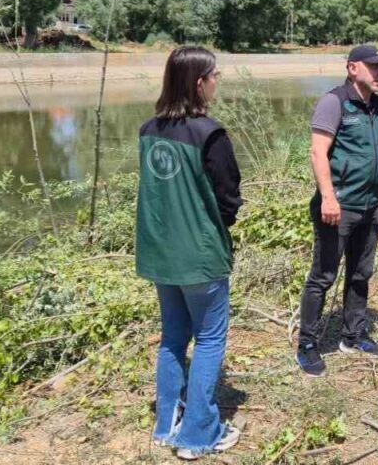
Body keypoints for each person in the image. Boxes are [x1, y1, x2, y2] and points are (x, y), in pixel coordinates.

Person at [136, 46, 244, 458]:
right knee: (210, 338)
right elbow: (228, 197)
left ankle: (166, 425)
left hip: (161, 254)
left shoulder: (148, 130)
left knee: (173, 338)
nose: (218, 81)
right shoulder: (209, 133)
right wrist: (216, 227)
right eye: (215, 75)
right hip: (198, 255)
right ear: (199, 83)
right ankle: (199, 434)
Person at [296, 44, 378, 376]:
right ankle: (308, 345)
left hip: (370, 206)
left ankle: (352, 336)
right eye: (374, 67)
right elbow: (317, 152)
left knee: (361, 273)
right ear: (353, 68)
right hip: (338, 207)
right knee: (323, 276)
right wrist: (328, 196)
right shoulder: (334, 102)